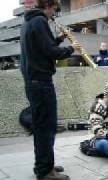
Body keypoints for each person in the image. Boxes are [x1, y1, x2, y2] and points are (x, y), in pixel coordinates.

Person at [20, 0, 81, 179]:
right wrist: (71, 48)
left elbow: (43, 48)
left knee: (43, 127)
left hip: (34, 82)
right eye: (54, 10)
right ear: (47, 5)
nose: (54, 14)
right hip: (41, 83)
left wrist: (60, 39)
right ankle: (45, 171)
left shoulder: (28, 22)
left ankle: (45, 165)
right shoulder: (40, 21)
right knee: (46, 128)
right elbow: (51, 52)